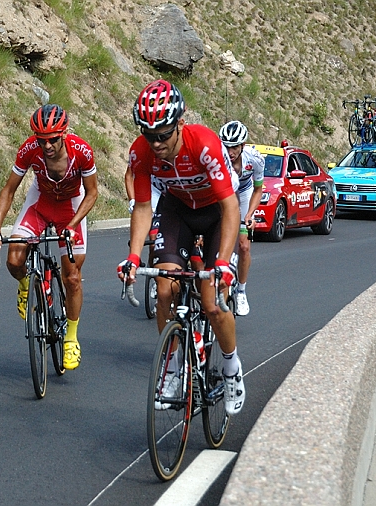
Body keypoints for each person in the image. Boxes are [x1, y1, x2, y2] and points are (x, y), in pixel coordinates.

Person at [118, 79, 245, 415]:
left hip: (216, 212)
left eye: (163, 134)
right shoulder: (141, 152)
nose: (156, 142)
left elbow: (231, 207)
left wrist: (223, 265)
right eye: (149, 134)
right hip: (178, 210)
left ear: (179, 124)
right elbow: (143, 207)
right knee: (163, 290)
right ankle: (173, 366)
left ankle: (231, 368)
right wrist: (133, 255)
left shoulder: (203, 144)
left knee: (213, 305)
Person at [0, 104, 98, 371]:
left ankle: (71, 338)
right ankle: (27, 286)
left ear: (64, 134)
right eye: (41, 140)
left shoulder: (81, 151)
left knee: (71, 277)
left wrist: (72, 225)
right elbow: (9, 189)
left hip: (71, 207)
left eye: (52, 140)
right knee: (14, 259)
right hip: (41, 203)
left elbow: (92, 193)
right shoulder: (29, 150)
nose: (46, 146)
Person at [218, 120, 264, 317]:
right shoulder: (216, 157)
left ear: (242, 145)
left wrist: (249, 214)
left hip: (244, 192)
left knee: (244, 245)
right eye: (226, 146)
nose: (230, 152)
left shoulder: (254, 159)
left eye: (234, 147)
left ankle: (241, 291)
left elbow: (258, 188)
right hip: (224, 193)